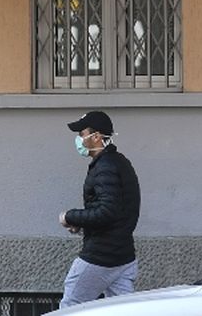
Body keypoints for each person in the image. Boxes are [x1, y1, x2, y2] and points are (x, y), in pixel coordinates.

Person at [58, 110, 141, 308]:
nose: (79, 139)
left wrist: (70, 217)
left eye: (81, 134)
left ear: (95, 137)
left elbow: (107, 211)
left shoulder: (105, 167)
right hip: (123, 257)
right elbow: (116, 210)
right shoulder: (119, 162)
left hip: (100, 257)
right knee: (123, 312)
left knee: (71, 307)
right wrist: (83, 223)